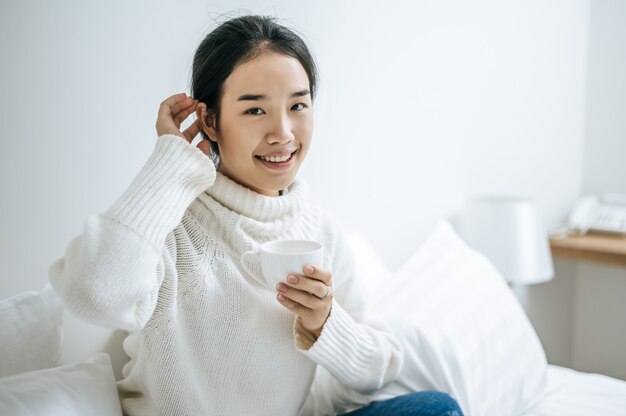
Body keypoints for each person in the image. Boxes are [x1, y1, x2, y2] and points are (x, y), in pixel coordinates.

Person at [49, 14, 464, 416]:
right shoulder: (171, 223)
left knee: (436, 409)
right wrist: (170, 164)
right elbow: (93, 295)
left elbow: (379, 370)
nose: (283, 132)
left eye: (298, 105)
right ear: (210, 121)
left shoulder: (321, 232)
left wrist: (325, 324)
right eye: (255, 110)